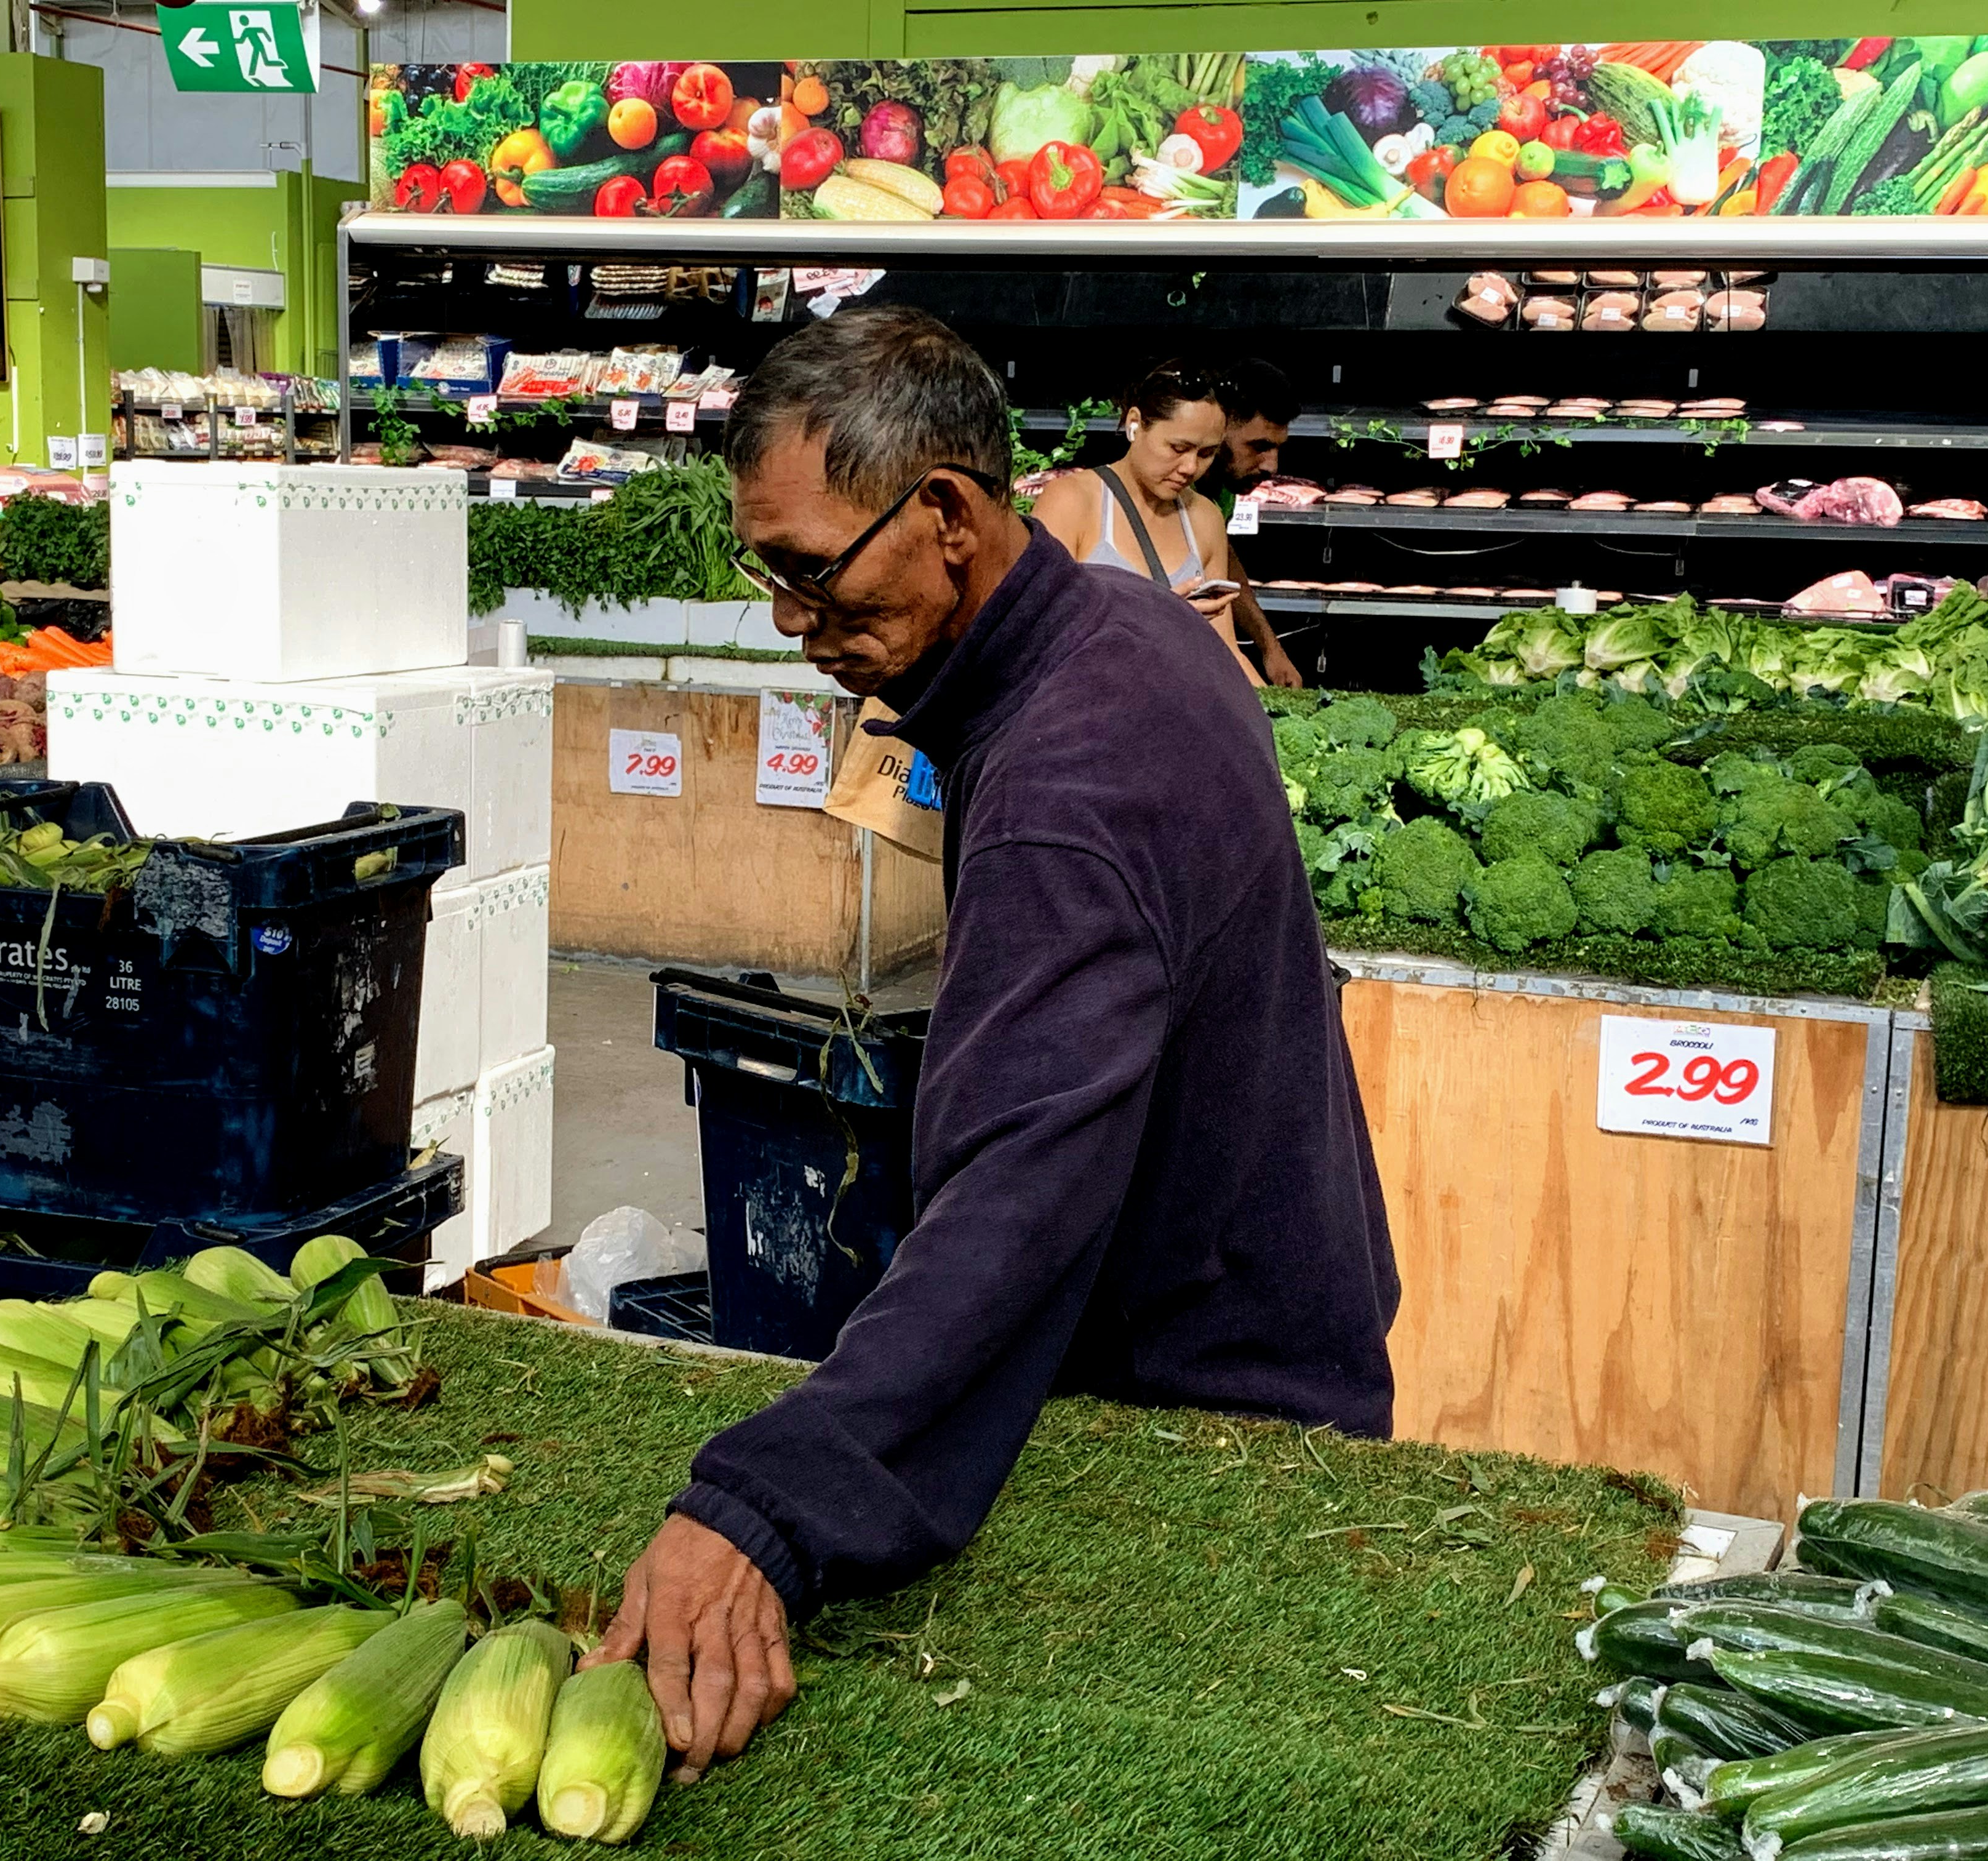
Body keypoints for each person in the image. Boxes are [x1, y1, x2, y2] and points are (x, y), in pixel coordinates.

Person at [582, 305, 1400, 1781]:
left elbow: (1023, 1187)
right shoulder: (1111, 626)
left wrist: (764, 1504)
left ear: (948, 515)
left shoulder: (1070, 777)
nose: (789, 617)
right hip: (1250, 1307)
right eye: (762, 571)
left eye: (811, 570)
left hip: (1212, 1416)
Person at [1028, 361, 1262, 689]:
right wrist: (1156, 616)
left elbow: (1225, 651)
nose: (1190, 467)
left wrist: (1279, 711)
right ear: (1136, 424)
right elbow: (1038, 634)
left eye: (1207, 453)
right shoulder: (1071, 502)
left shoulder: (1205, 518)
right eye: (1178, 448)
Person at [1211, 357, 1307, 690]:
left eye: (1278, 448)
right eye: (1260, 446)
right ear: (1218, 425)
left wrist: (1271, 649)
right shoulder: (1171, 487)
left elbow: (1219, 558)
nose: (1272, 466)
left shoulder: (1221, 485)